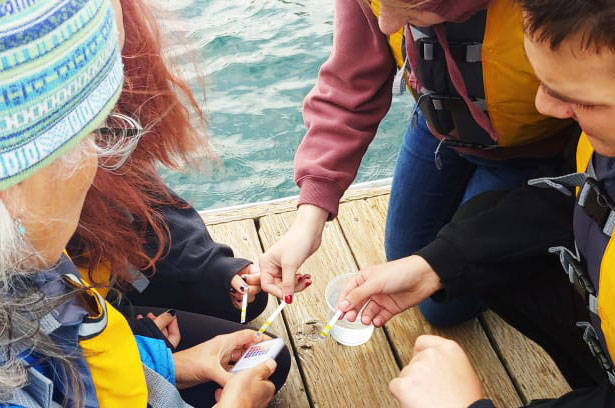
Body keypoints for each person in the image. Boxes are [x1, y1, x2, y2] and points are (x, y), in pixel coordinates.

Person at [0, 1, 288, 407]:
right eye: (91, 135)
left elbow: (69, 352)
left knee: (263, 349)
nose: (104, 155)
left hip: (120, 323)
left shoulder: (33, 264)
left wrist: (178, 363)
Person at [338, 0, 615, 406]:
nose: (544, 107)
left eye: (583, 100)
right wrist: (435, 264)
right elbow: (574, 200)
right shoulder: (601, 145)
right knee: (477, 221)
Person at [258, 0, 577, 328]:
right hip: (438, 128)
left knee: (445, 306)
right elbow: (348, 86)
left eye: (411, 9)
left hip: (531, 151)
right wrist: (309, 220)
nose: (386, 25)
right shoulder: (386, 12)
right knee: (406, 263)